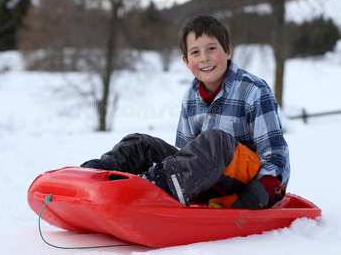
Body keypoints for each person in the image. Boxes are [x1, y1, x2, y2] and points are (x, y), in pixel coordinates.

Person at [81, 14, 290, 209]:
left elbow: (275, 160)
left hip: (247, 184)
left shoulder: (254, 90)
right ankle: (96, 176)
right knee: (140, 143)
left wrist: (250, 199)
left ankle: (150, 187)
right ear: (186, 61)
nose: (204, 58)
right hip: (206, 181)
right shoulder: (191, 96)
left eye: (211, 49)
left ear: (228, 51)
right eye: (195, 52)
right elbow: (183, 155)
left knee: (214, 140)